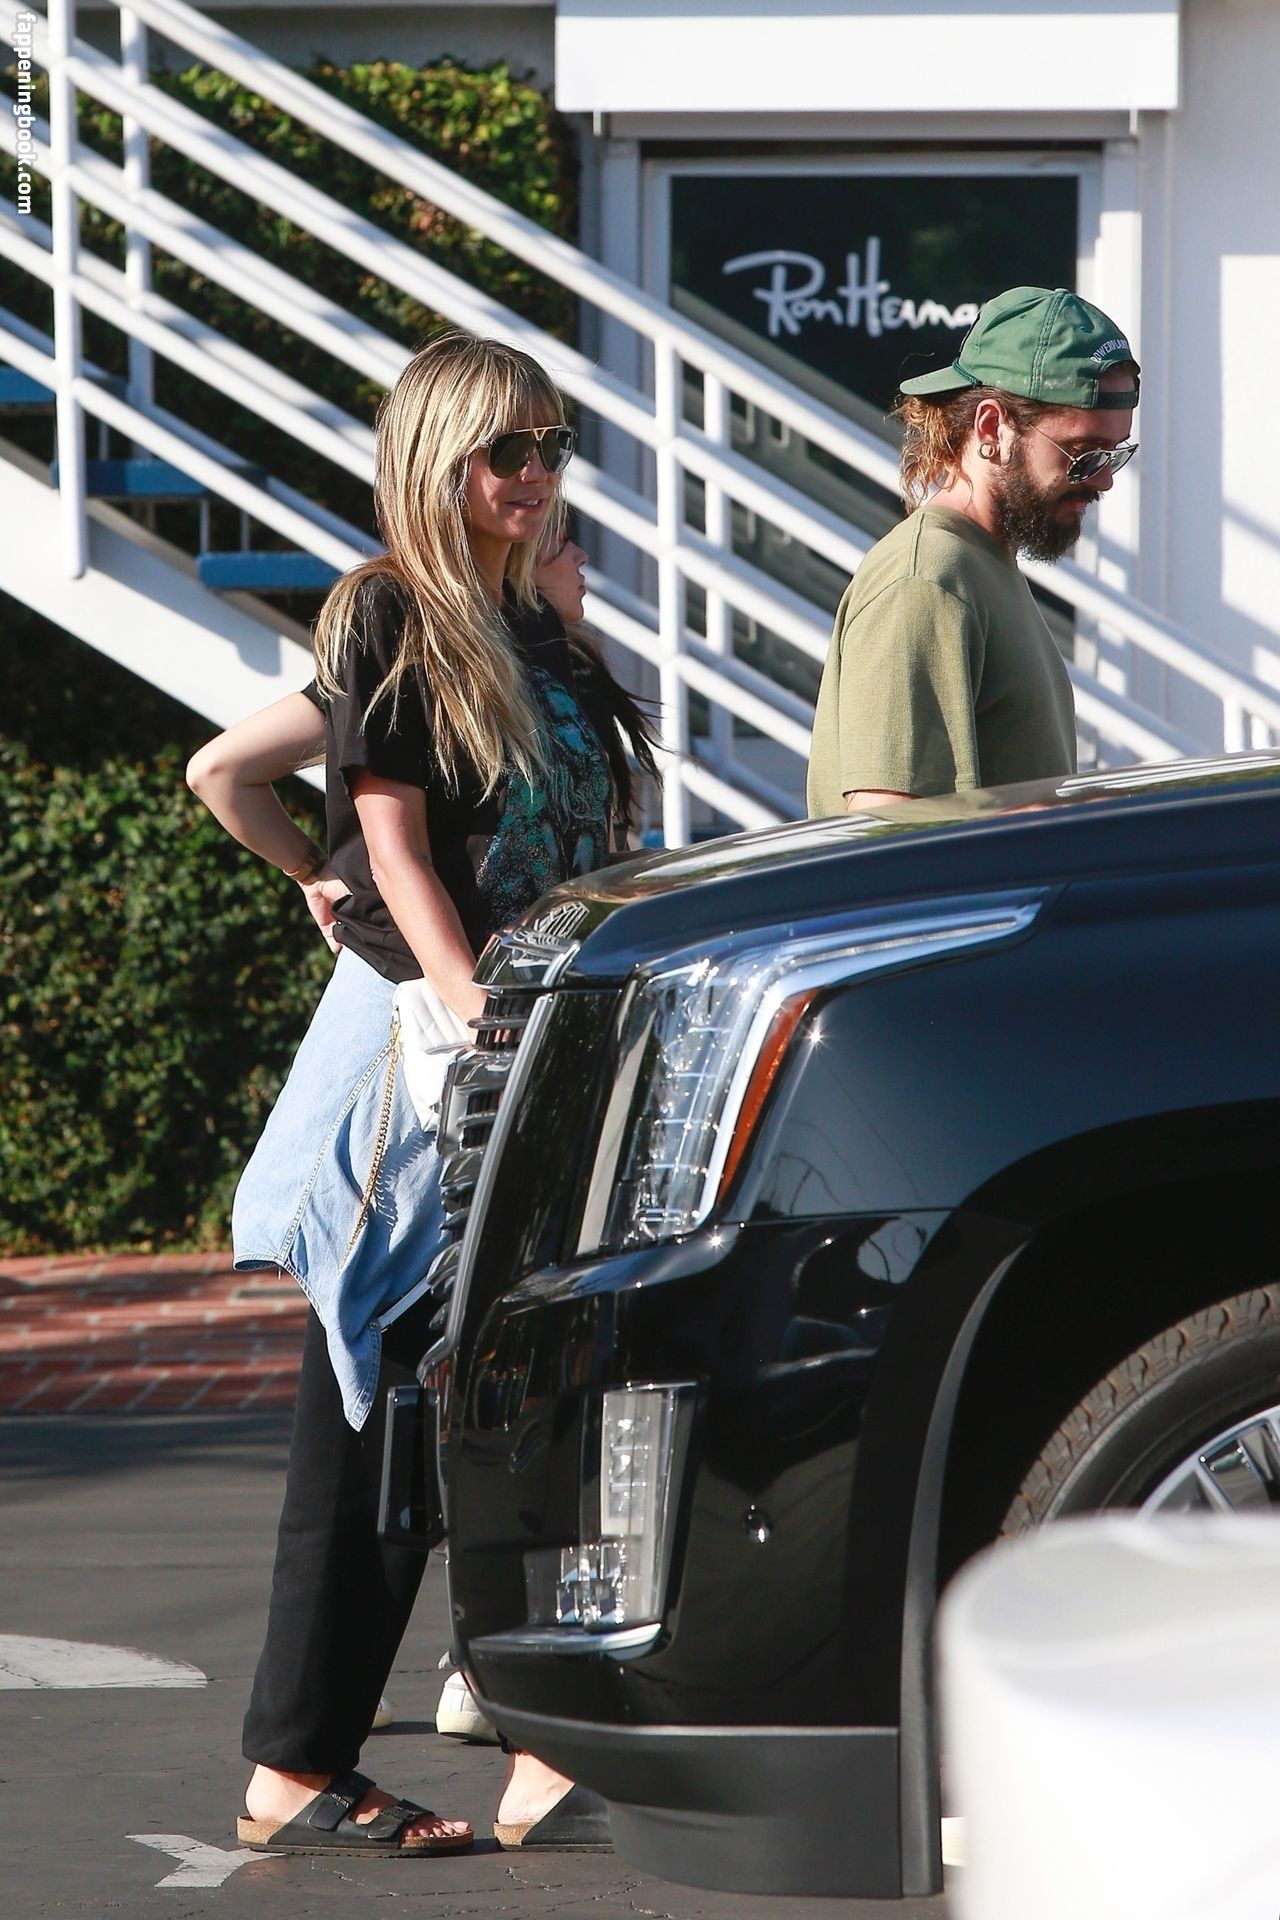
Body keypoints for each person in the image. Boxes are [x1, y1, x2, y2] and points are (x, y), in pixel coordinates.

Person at [186, 332, 650, 1858]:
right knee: (381, 1400)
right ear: (437, 458)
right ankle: (300, 1759)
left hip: (533, 1044)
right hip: (431, 1054)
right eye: (507, 450)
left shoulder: (538, 628)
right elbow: (387, 838)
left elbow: (582, 843)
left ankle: (531, 1737)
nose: (537, 475)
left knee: (519, 1382)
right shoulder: (391, 611)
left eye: (553, 446)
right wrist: (463, 1004)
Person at [807, 285, 1140, 816]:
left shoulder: (979, 564)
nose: (1103, 481)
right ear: (991, 426)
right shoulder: (928, 579)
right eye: (1082, 455)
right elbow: (886, 825)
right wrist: (1060, 819)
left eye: (1114, 453)